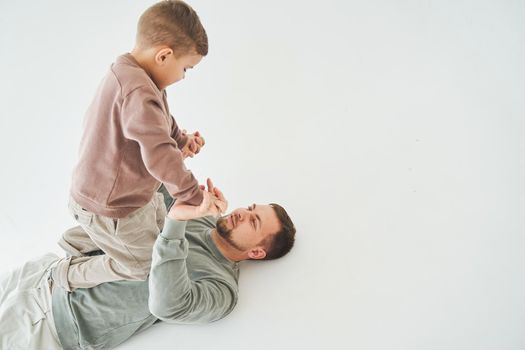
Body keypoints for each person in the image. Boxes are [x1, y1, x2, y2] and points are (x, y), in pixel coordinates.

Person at [53, 0, 226, 293]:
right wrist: (193, 197)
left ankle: (81, 238)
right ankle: (67, 275)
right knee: (141, 265)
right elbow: (160, 156)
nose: (183, 76)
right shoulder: (138, 91)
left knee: (156, 226)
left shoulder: (132, 71)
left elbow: (160, 120)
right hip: (113, 206)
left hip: (127, 194)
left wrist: (181, 140)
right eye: (186, 68)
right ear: (164, 55)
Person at [0, 183, 296, 350]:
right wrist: (179, 162)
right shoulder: (200, 214)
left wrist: (177, 222)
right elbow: (146, 184)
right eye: (251, 208)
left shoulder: (221, 290)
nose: (242, 212)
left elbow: (167, 304)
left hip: (52, 325)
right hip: (43, 273)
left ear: (256, 251)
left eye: (253, 221)